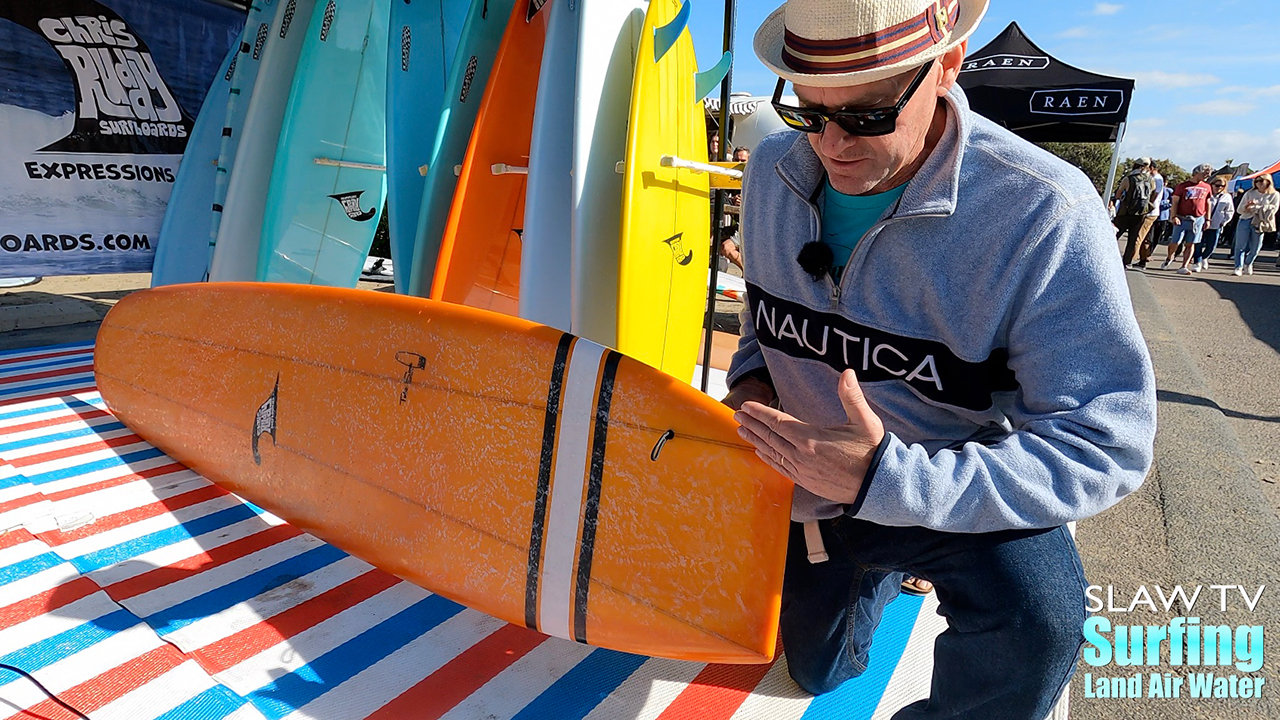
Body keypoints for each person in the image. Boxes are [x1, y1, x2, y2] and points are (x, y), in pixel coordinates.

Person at [725, 0, 1155, 717]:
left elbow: (1105, 442)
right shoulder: (771, 168)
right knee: (817, 673)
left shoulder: (1043, 210)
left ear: (948, 65)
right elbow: (763, 318)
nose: (832, 145)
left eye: (866, 115)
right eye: (807, 110)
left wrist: (890, 480)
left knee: (1040, 622)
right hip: (807, 484)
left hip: (952, 485)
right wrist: (751, 381)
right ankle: (870, 574)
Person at [1162, 163, 1213, 273]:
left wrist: (1207, 219)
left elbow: (1208, 203)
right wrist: (1173, 216)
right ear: (1197, 172)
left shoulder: (1207, 187)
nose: (1206, 176)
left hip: (1198, 219)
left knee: (1191, 243)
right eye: (1204, 173)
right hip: (1182, 218)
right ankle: (1170, 256)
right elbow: (1175, 202)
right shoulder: (1183, 186)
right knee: (1175, 241)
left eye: (1208, 175)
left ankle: (1184, 266)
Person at [1112, 157, 1157, 267]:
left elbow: (1119, 194)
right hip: (1141, 213)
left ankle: (1108, 256)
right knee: (1133, 239)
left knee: (1114, 234)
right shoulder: (1150, 179)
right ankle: (1127, 262)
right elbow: (1153, 194)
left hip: (1125, 212)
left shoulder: (1129, 178)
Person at [1232, 174, 1280, 275]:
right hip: (1245, 219)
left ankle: (1248, 263)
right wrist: (1247, 206)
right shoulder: (1250, 193)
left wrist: (1255, 207)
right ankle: (1238, 267)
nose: (1259, 183)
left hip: (1260, 222)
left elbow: (1273, 209)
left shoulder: (1274, 194)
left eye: (1262, 181)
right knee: (1240, 245)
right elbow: (1240, 210)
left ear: (1268, 181)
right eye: (1257, 181)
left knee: (1256, 247)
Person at [1190, 177, 1234, 272]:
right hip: (1202, 223)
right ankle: (1197, 262)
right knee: (1198, 243)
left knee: (1211, 246)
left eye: (1222, 186)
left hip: (1216, 224)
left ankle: (1204, 257)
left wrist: (1224, 221)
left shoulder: (1227, 197)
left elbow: (1230, 211)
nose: (1219, 188)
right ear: (1212, 185)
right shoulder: (1206, 194)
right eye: (1217, 185)